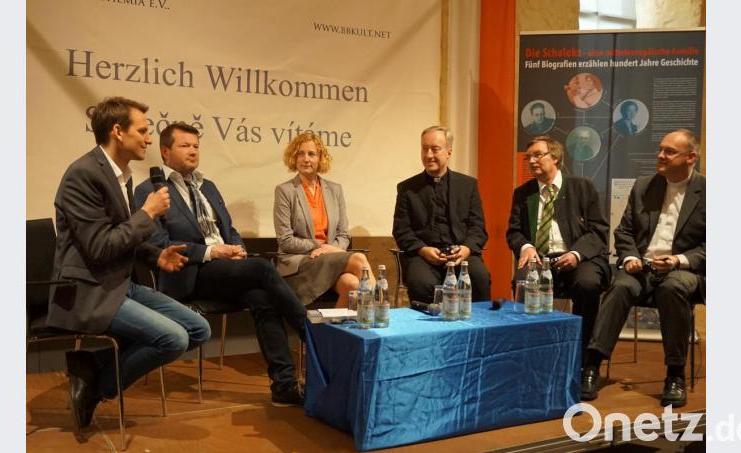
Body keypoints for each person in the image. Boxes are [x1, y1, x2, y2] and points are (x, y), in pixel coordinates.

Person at [48, 97, 211, 429]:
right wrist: (148, 213)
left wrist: (155, 255)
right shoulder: (83, 174)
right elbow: (99, 247)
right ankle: (99, 388)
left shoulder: (121, 174)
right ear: (118, 132)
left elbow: (121, 237)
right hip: (88, 289)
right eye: (143, 131)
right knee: (173, 339)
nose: (149, 139)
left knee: (198, 329)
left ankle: (91, 367)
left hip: (119, 283)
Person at [134, 122, 307, 407]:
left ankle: (284, 386)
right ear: (165, 152)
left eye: (196, 146)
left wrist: (238, 249)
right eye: (184, 146)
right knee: (262, 268)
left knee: (263, 298)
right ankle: (310, 332)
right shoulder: (151, 191)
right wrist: (213, 252)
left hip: (224, 272)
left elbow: (229, 228)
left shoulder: (207, 186)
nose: (193, 151)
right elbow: (162, 246)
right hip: (188, 275)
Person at [581, 129, 705, 408]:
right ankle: (591, 366)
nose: (660, 155)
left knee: (673, 287)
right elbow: (624, 231)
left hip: (683, 270)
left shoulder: (708, 192)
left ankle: (674, 374)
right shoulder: (644, 185)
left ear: (690, 157)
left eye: (669, 151)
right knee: (621, 285)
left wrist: (678, 260)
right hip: (642, 267)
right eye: (660, 149)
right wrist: (629, 257)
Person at [506, 136, 610, 355]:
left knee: (588, 284)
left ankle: (583, 355)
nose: (532, 161)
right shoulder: (523, 193)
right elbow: (514, 232)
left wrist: (576, 253)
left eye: (537, 155)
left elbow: (598, 230)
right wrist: (526, 247)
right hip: (539, 258)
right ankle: (533, 348)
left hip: (579, 258)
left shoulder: (583, 187)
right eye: (528, 157)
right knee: (523, 280)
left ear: (555, 157)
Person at [273, 131, 374, 307]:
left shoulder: (335, 190)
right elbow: (285, 241)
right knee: (358, 259)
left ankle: (334, 334)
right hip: (300, 262)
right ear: (294, 158)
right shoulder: (285, 190)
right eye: (300, 154)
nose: (306, 159)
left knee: (352, 285)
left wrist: (330, 250)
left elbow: (343, 235)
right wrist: (320, 246)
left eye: (311, 154)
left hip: (330, 258)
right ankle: (382, 308)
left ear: (320, 159)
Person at [392, 125, 491, 304]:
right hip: (423, 255)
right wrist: (423, 250)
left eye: (435, 149)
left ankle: (478, 329)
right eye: (424, 148)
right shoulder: (407, 189)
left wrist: (466, 249)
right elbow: (401, 231)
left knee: (479, 277)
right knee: (421, 283)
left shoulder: (468, 185)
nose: (429, 155)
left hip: (461, 255)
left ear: (449, 152)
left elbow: (478, 228)